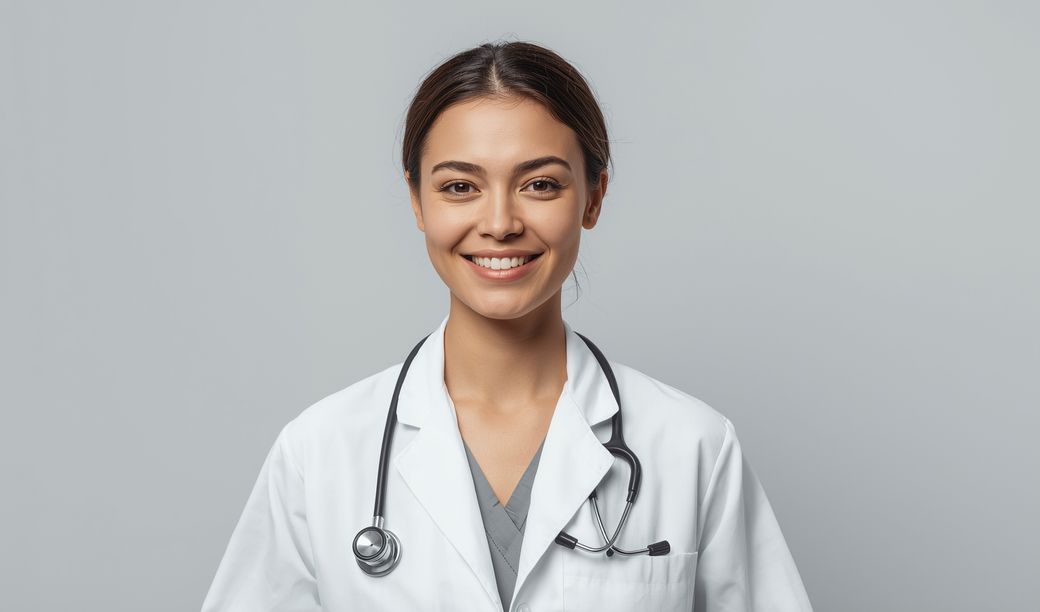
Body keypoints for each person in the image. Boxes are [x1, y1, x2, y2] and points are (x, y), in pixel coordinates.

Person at [200, 40, 814, 612]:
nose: (499, 223)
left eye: (540, 184)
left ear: (593, 197)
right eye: (460, 186)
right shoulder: (320, 452)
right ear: (416, 200)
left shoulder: (691, 446)